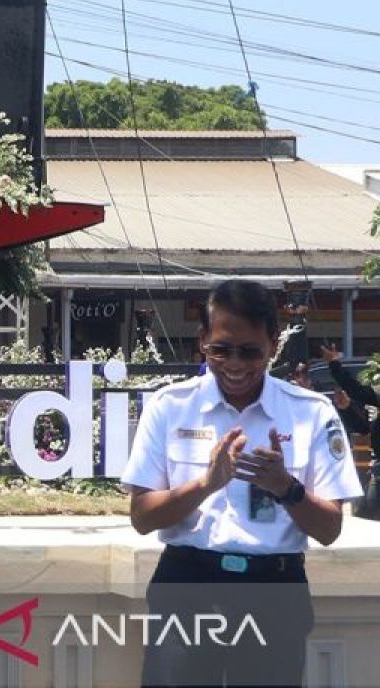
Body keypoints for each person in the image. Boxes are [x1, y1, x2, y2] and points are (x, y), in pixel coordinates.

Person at [122, 279, 362, 688]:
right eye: (221, 349)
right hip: (188, 586)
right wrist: (205, 484)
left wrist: (286, 487)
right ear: (202, 342)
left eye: (249, 351)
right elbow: (143, 518)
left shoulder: (310, 413)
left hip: (274, 590)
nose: (235, 364)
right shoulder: (170, 407)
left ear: (272, 344)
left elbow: (329, 529)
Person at [319, 343, 380, 519]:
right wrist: (346, 408)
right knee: (366, 516)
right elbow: (363, 429)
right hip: (376, 472)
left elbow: (357, 391)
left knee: (367, 514)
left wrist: (334, 364)